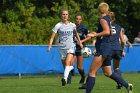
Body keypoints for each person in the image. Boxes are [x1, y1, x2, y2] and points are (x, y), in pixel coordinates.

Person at [83, 2, 133, 93]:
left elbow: (107, 32)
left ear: (99, 9)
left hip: (103, 48)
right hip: (107, 48)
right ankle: (127, 85)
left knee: (92, 72)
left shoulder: (103, 19)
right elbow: (107, 32)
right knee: (108, 73)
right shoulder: (108, 19)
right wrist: (96, 34)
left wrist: (95, 35)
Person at [47, 9, 83, 86]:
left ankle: (65, 79)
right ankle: (71, 68)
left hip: (71, 46)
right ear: (61, 15)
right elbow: (52, 37)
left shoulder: (72, 25)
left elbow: (76, 34)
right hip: (62, 48)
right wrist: (50, 45)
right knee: (66, 66)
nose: (65, 16)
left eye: (66, 14)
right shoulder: (58, 25)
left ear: (68, 16)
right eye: (63, 14)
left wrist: (80, 42)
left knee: (67, 62)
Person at [70, 14, 91, 84]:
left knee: (79, 67)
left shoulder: (84, 28)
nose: (78, 20)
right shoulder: (71, 26)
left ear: (81, 20)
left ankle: (83, 76)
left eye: (79, 19)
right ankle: (69, 79)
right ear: (74, 19)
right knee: (70, 63)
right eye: (76, 18)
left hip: (80, 48)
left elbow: (89, 37)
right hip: (72, 47)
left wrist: (81, 41)